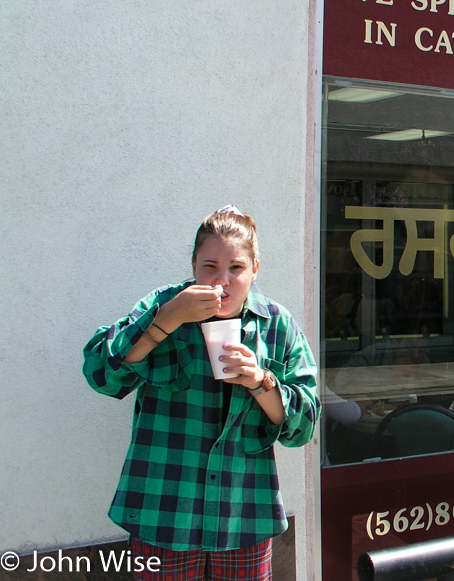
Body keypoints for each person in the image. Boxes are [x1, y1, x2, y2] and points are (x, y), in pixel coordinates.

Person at [82, 205, 320, 581]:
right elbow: (99, 373)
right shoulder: (163, 306)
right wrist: (166, 320)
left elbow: (304, 426)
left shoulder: (276, 324)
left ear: (255, 269)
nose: (221, 281)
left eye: (236, 268)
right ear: (193, 266)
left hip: (244, 514)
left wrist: (261, 381)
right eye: (210, 266)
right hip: (163, 509)